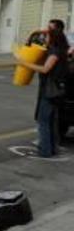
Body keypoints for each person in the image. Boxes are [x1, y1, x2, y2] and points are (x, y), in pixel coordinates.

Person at [14, 21, 69, 158]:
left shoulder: (55, 51)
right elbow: (38, 37)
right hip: (56, 89)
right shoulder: (61, 47)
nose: (45, 37)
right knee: (51, 120)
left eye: (48, 33)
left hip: (50, 90)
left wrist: (25, 64)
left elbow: (45, 69)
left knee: (43, 120)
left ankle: (45, 150)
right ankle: (52, 148)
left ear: (53, 35)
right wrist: (38, 31)